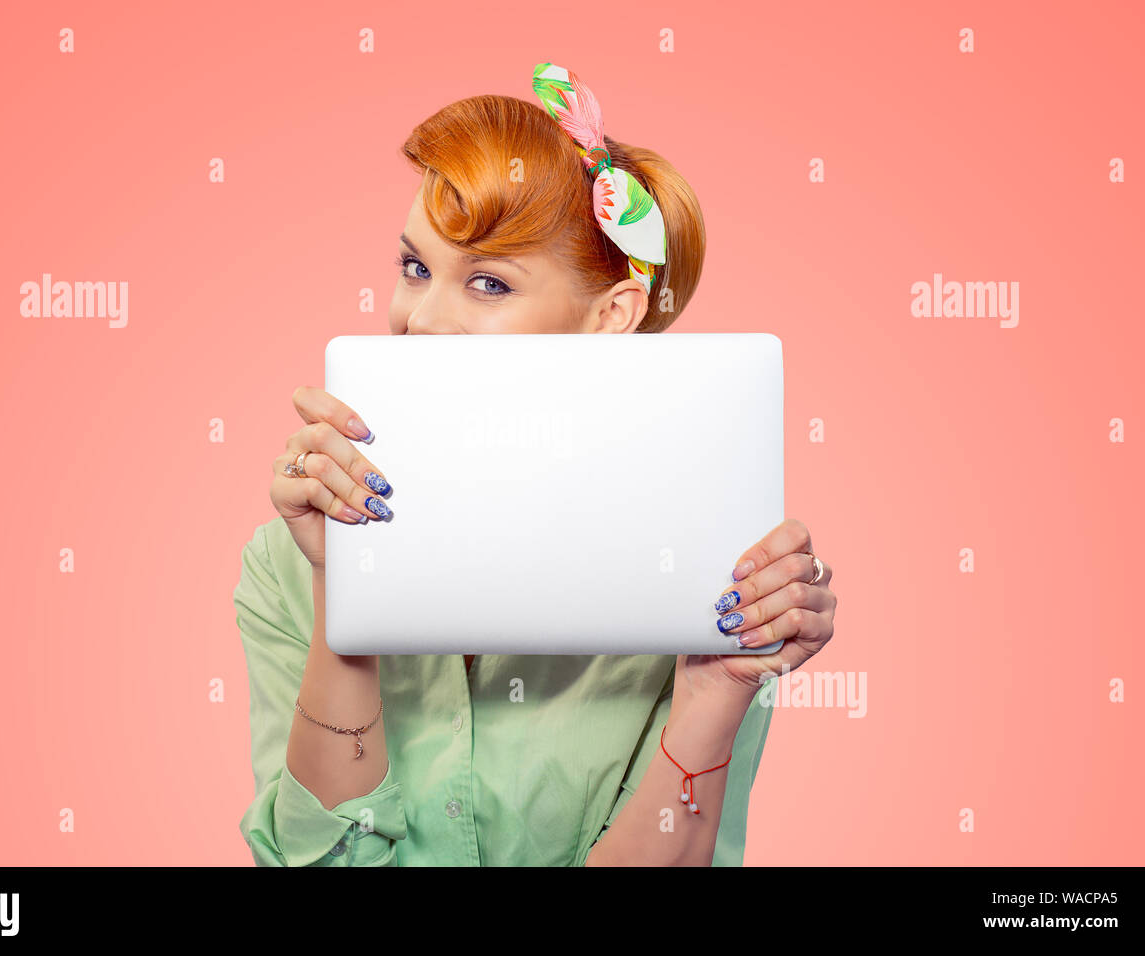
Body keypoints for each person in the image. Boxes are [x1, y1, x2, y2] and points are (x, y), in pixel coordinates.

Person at [233, 63, 838, 866]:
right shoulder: (288, 559)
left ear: (609, 317)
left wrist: (715, 689)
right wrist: (344, 602)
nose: (424, 322)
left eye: (488, 283)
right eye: (416, 269)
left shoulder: (700, 584)